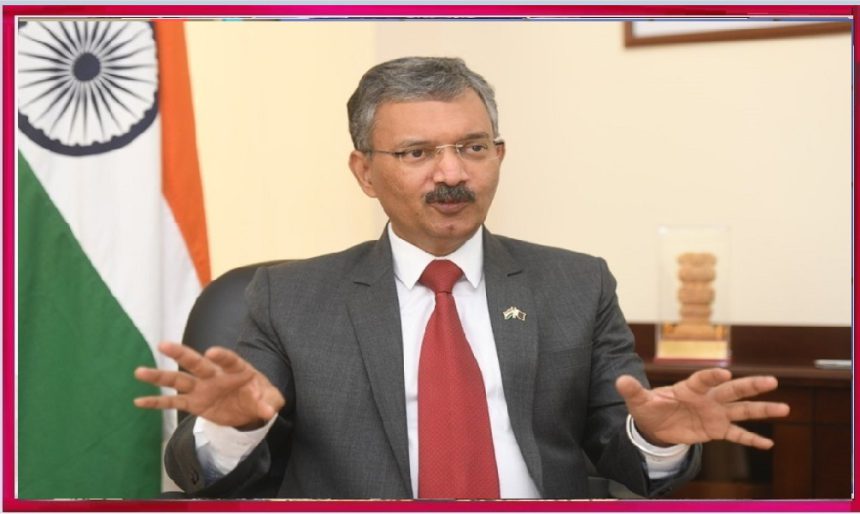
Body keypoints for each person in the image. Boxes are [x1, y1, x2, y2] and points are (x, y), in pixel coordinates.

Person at [134, 56, 790, 500]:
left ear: (498, 155)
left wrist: (655, 438)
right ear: (364, 173)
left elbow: (628, 457)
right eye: (417, 153)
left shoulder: (576, 284)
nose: (452, 174)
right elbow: (209, 478)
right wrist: (233, 429)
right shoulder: (291, 298)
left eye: (473, 148)